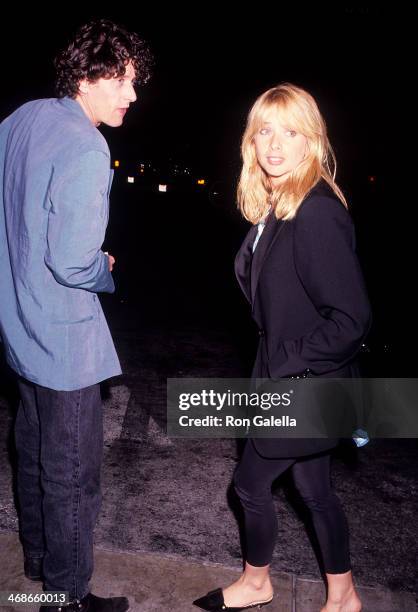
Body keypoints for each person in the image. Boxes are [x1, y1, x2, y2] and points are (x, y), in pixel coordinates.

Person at [193, 84, 371, 612]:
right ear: (251, 139)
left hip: (303, 384)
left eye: (290, 132)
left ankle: (256, 583)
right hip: (292, 378)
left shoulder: (315, 212)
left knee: (249, 485)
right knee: (315, 491)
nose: (275, 144)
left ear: (311, 140)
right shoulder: (279, 206)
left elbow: (353, 320)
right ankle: (345, 597)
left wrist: (284, 365)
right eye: (265, 130)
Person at [0, 19, 152, 612]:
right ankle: (66, 597)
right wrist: (104, 268)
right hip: (62, 339)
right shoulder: (89, 145)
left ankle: (40, 563)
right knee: (73, 473)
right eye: (124, 80)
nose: (132, 95)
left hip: (18, 323)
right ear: (89, 77)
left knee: (34, 448)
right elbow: (72, 262)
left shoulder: (22, 118)